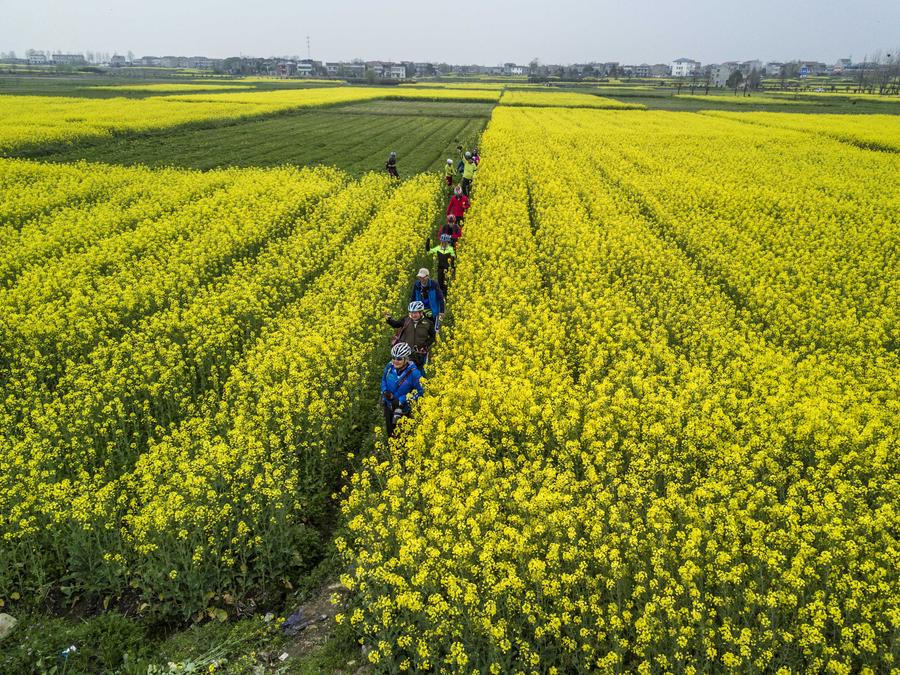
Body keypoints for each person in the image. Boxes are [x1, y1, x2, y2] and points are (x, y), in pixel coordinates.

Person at [380, 342, 424, 438]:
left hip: (404, 410)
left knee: (402, 437)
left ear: (406, 359)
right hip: (389, 406)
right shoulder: (389, 366)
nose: (395, 361)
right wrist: (384, 391)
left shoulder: (414, 373)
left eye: (399, 359)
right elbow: (383, 379)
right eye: (393, 358)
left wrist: (401, 400)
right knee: (390, 434)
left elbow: (421, 392)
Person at [386, 301, 435, 374]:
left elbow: (432, 337)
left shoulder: (428, 323)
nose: (413, 315)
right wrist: (389, 320)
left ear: (421, 313)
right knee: (404, 371)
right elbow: (396, 324)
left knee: (419, 371)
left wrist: (425, 345)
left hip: (419, 352)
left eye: (415, 313)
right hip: (406, 351)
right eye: (411, 312)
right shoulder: (406, 319)